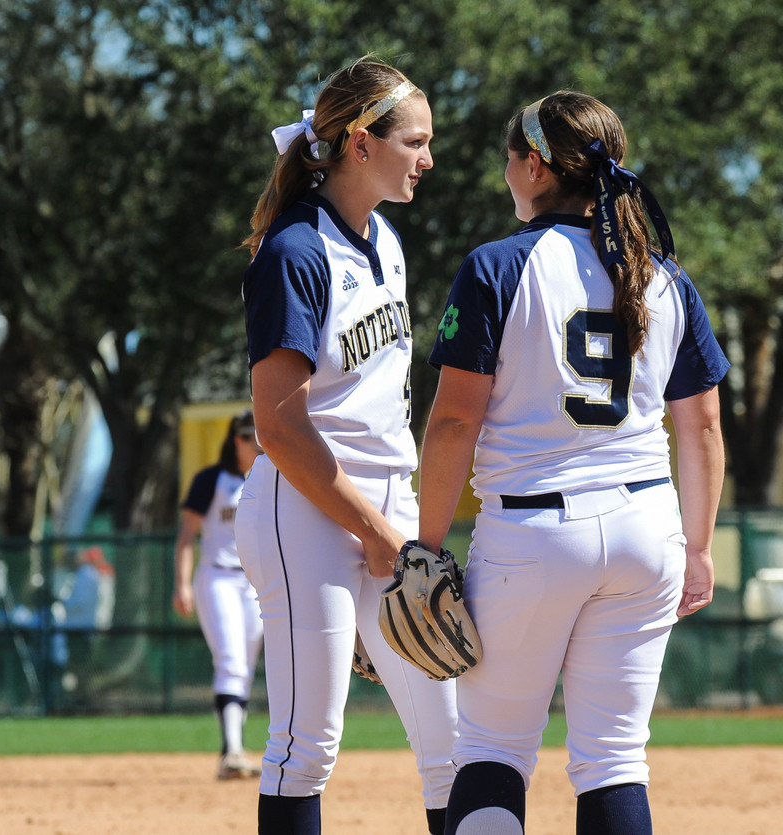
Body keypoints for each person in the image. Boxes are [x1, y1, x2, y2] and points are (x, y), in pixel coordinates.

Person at [417, 91, 730, 834]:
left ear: (534, 166)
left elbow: (455, 418)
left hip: (533, 531)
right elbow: (705, 426)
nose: (505, 174)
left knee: (493, 747)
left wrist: (425, 547)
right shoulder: (664, 276)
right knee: (614, 757)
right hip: (646, 527)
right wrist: (700, 546)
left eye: (508, 160)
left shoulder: (498, 265)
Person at [234, 59, 457, 835]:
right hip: (306, 511)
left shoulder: (386, 242)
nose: (427, 159)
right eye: (415, 142)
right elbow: (281, 426)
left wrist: (396, 525)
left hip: (383, 509)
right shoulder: (296, 251)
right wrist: (375, 531)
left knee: (455, 742)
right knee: (305, 745)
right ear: (361, 142)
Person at [173, 410, 264, 780]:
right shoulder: (212, 480)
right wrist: (181, 583)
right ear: (237, 440)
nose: (258, 444)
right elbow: (186, 536)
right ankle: (232, 752)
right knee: (230, 660)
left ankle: (235, 749)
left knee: (245, 666)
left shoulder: (270, 477)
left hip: (256, 582)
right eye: (251, 438)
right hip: (218, 579)